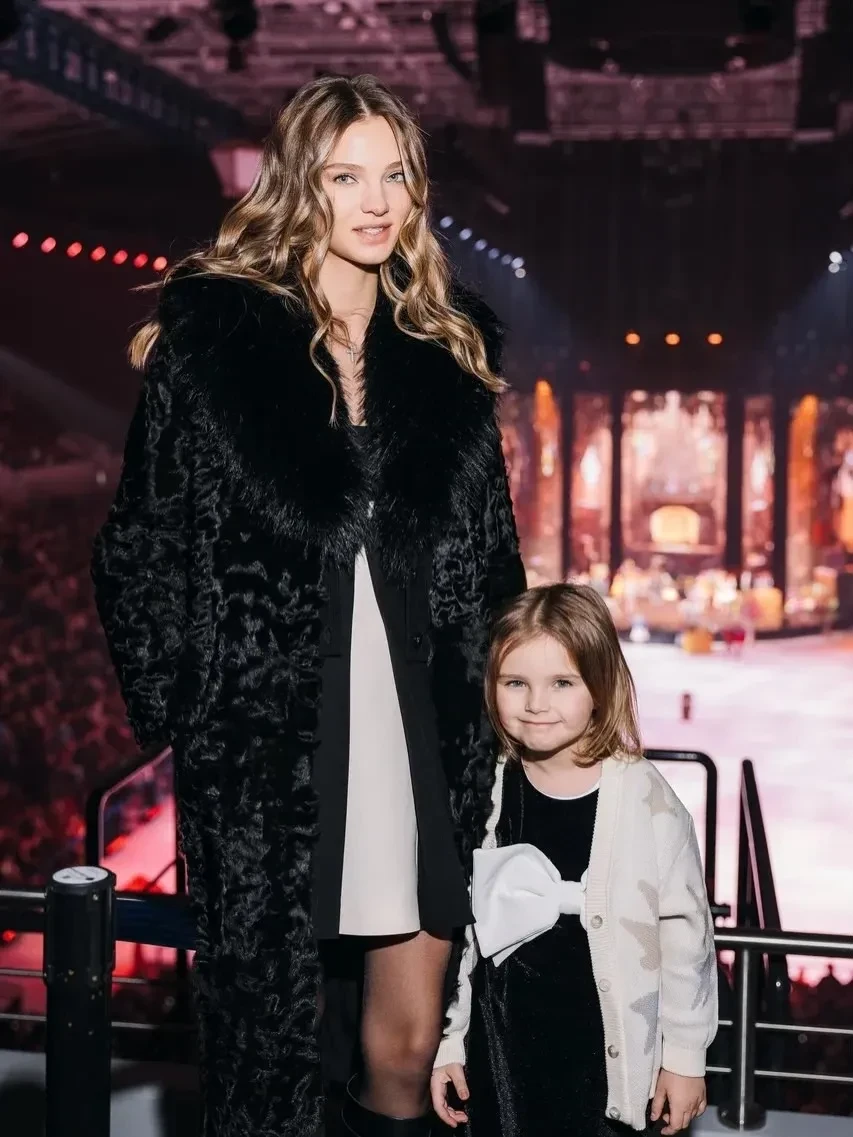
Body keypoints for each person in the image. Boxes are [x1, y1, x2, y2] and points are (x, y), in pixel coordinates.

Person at [91, 74, 525, 1137]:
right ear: (300, 185)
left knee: (408, 1052)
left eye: (394, 176)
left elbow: (495, 563)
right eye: (344, 177)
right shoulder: (215, 348)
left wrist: (503, 704)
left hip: (424, 736)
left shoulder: (448, 357)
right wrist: (196, 707)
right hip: (270, 747)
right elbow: (138, 545)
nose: (376, 202)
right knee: (268, 1056)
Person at [431, 584, 718, 1137]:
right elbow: (460, 936)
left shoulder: (646, 798)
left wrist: (684, 1057)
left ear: (600, 686)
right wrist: (447, 1041)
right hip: (501, 1049)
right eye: (516, 683)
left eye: (562, 683)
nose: (536, 704)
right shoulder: (485, 789)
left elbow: (688, 937)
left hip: (606, 1055)